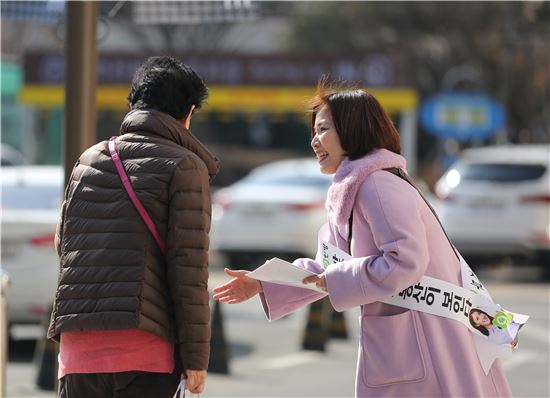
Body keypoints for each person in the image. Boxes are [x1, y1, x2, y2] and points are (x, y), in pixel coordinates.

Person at [213, 78, 513, 397]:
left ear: (354, 129)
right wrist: (264, 281)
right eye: (314, 131)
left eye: (324, 129)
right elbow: (327, 267)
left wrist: (335, 280)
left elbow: (405, 261)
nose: (315, 140)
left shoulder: (377, 185)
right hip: (410, 343)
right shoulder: (351, 188)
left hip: (426, 340)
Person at [48, 56, 219, 398]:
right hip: (145, 350)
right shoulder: (184, 166)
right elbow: (188, 270)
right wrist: (196, 358)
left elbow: (63, 244)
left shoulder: (88, 160)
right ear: (188, 112)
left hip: (78, 351)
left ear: (132, 104)